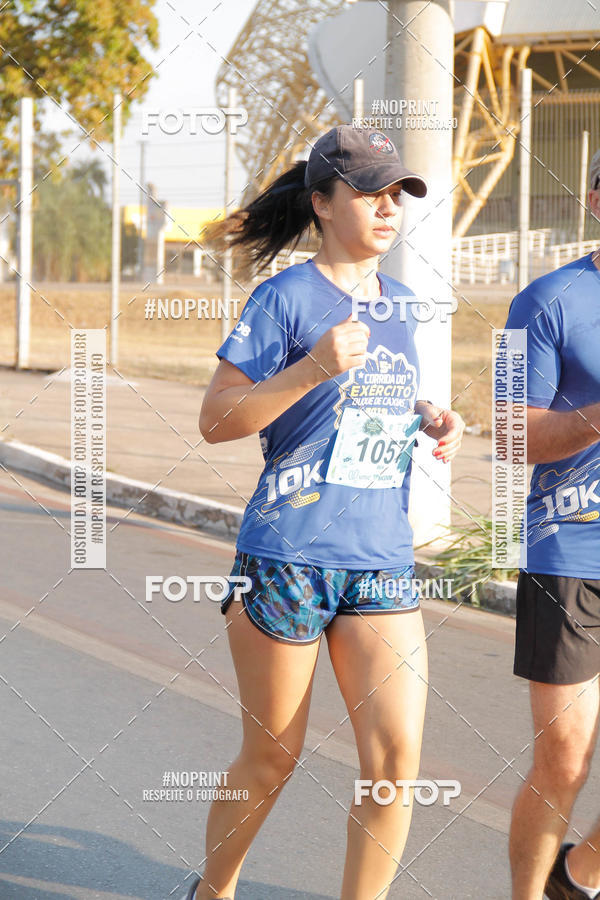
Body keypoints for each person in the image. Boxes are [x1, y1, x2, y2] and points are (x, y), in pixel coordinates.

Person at [181, 124, 464, 900]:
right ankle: (214, 891)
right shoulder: (283, 299)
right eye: (368, 193)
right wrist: (309, 367)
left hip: (379, 557)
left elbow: (374, 403)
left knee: (396, 759)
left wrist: (431, 416)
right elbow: (217, 420)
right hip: (288, 554)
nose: (386, 208)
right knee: (274, 754)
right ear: (321, 202)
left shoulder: (403, 304)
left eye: (396, 194)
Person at [505, 150, 600, 900]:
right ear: (596, 201)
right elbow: (511, 436)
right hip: (569, 551)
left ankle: (580, 874)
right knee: (566, 757)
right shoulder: (546, 301)